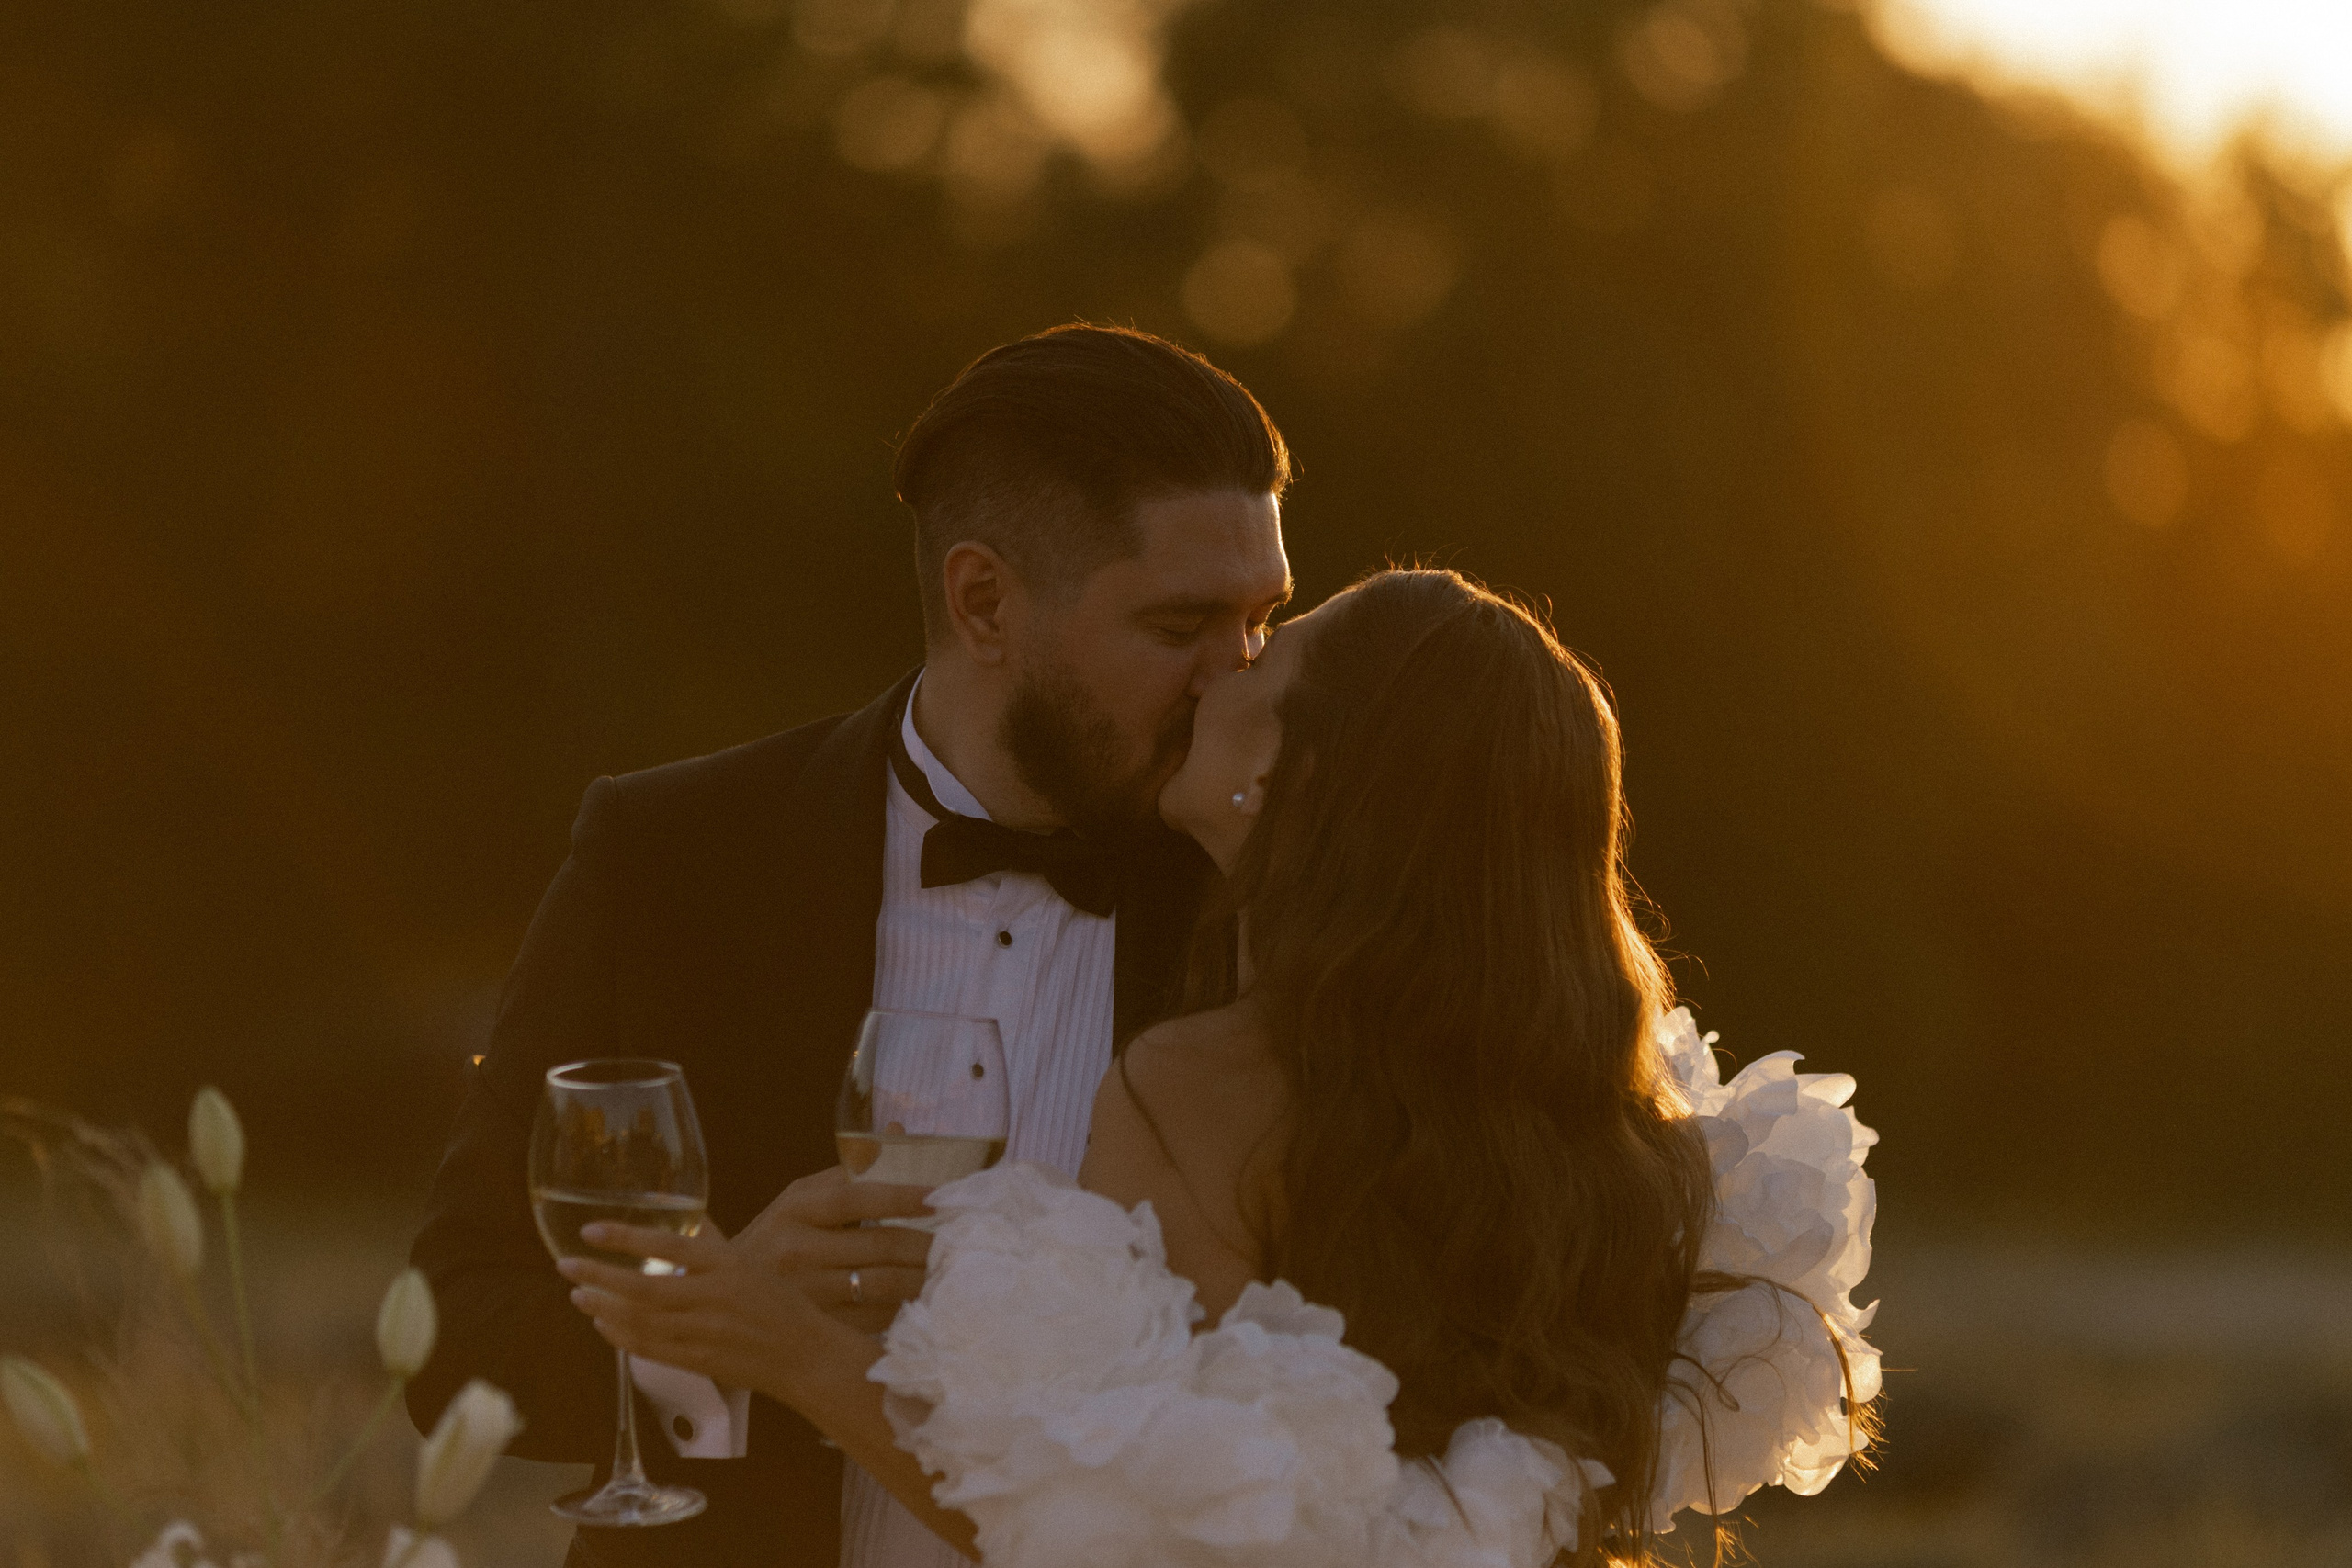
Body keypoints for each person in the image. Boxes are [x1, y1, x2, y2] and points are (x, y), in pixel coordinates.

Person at [557, 570, 1883, 1565]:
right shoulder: (1613, 1118)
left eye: (1271, 655)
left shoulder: (1194, 1090)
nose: (1225, 669)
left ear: (1297, 775)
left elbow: (1094, 1518)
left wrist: (785, 1344)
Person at [404, 323, 1295, 1568]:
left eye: (1264, 620)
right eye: (1181, 626)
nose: (1241, 679)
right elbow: (452, 1333)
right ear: (984, 601)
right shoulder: (675, 855)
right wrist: (703, 1331)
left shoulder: (1275, 905)